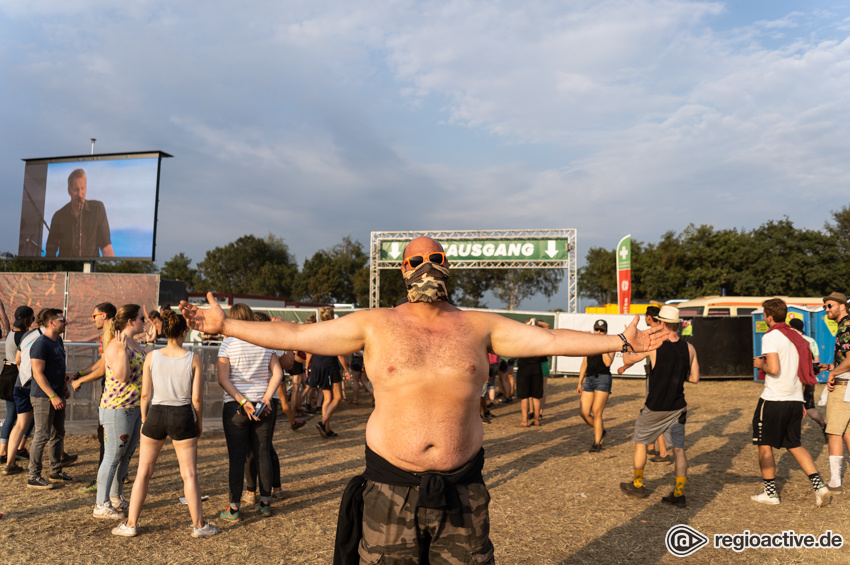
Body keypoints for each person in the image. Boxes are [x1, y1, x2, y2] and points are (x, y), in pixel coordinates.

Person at [179, 236, 669, 563]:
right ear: (402, 270)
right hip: (390, 487)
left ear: (447, 267)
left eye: (436, 259)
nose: (427, 267)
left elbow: (553, 340)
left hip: (462, 489)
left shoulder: (480, 325)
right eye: (417, 261)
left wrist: (622, 343)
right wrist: (225, 326)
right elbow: (290, 333)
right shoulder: (375, 324)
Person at [111, 309, 220, 538]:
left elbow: (145, 395)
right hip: (182, 415)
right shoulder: (194, 358)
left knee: (143, 473)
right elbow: (197, 398)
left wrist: (144, 420)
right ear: (185, 332)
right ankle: (199, 526)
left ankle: (131, 524)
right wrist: (198, 422)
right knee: (189, 474)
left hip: (156, 414)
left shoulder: (152, 356)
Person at [751, 298, 831, 507]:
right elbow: (804, 371)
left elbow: (774, 369)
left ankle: (770, 493)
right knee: (794, 444)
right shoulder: (796, 336)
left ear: (768, 317)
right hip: (795, 399)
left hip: (774, 399)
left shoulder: (771, 336)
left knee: (764, 445)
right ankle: (819, 487)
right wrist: (803, 402)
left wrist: (761, 364)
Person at [618, 305, 698, 508]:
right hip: (677, 407)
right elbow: (695, 378)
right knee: (679, 450)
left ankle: (638, 485)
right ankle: (679, 493)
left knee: (641, 443)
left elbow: (628, 359)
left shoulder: (654, 346)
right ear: (678, 325)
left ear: (661, 323)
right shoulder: (689, 348)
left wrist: (627, 343)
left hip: (654, 407)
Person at [217, 303, 284, 521]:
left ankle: (234, 508)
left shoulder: (227, 344)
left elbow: (223, 379)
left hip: (236, 406)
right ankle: (265, 503)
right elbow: (278, 373)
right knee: (263, 452)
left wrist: (243, 400)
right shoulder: (264, 342)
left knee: (237, 458)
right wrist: (266, 397)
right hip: (263, 405)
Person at [93, 304, 146, 518]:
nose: (145, 321)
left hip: (132, 408)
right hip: (117, 409)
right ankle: (101, 504)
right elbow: (123, 375)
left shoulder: (134, 343)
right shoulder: (116, 345)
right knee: (112, 456)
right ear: (131, 321)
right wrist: (124, 351)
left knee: (125, 455)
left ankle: (115, 497)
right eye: (142, 318)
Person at [70, 302, 116, 492]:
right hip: (111, 392)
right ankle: (108, 478)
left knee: (106, 435)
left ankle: (103, 480)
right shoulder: (108, 335)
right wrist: (80, 373)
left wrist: (81, 380)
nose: (93, 319)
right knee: (106, 435)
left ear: (104, 316)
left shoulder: (110, 335)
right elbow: (101, 363)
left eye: (94, 315)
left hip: (113, 393)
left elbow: (104, 368)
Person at [27, 309, 73, 488]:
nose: (66, 322)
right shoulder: (40, 344)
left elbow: (59, 368)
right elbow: (37, 374)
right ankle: (33, 476)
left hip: (57, 395)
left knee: (58, 433)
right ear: (52, 322)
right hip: (43, 397)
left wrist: (63, 388)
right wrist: (53, 395)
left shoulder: (58, 340)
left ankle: (56, 471)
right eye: (62, 320)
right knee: (42, 435)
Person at [2, 310, 44, 476]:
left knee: (14, 418)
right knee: (17, 417)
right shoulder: (27, 337)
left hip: (9, 374)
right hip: (18, 377)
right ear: (28, 319)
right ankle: (15, 450)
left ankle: (7, 452)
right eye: (32, 319)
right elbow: (22, 361)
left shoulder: (12, 333)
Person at [45, 168, 114, 258]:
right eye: (76, 190)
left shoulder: (98, 209)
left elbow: (106, 247)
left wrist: (112, 271)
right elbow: (50, 253)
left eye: (82, 189)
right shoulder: (58, 217)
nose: (80, 194)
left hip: (90, 268)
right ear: (69, 190)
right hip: (66, 269)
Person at [822, 292, 850, 492]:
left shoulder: (845, 326)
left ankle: (834, 481)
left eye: (829, 305)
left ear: (842, 306)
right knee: (848, 432)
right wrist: (831, 365)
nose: (826, 309)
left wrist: (834, 372)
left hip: (843, 385)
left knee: (833, 431)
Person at [308, 306, 350, 438]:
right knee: (337, 398)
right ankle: (322, 422)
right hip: (330, 366)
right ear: (332, 316)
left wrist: (307, 365)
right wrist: (346, 370)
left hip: (318, 365)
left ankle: (327, 429)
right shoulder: (334, 331)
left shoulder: (316, 329)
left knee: (327, 398)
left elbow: (310, 348)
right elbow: (340, 355)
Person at [577, 319, 613, 452]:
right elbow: (584, 363)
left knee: (597, 412)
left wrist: (602, 345)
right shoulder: (589, 344)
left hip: (603, 378)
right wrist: (579, 382)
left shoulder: (610, 344)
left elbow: (608, 363)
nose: (599, 332)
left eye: (602, 330)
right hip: (590, 379)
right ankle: (601, 431)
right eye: (597, 329)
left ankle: (597, 443)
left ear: (606, 332)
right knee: (584, 412)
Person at [788, 317, 826, 435]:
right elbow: (817, 362)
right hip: (809, 377)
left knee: (792, 406)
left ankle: (791, 432)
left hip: (795, 378)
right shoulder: (810, 340)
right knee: (809, 406)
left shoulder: (790, 340)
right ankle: (824, 425)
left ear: (791, 328)